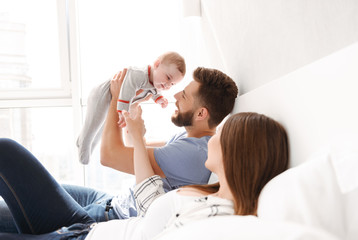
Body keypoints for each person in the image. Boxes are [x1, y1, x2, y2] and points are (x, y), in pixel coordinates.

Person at [0, 67, 238, 233]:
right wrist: (131, 106)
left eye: (184, 95)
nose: (175, 95)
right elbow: (134, 147)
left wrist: (117, 99)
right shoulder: (189, 137)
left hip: (107, 217)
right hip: (109, 200)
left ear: (201, 114)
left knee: (7, 155)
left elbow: (109, 156)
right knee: (29, 191)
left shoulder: (192, 155)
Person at [0, 111, 289, 239]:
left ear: (236, 153)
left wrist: (137, 136)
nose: (211, 140)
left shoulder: (216, 218)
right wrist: (138, 134)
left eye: (220, 136)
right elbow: (150, 196)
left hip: (84, 233)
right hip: (85, 227)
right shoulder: (210, 192)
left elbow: (117, 161)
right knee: (8, 153)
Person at [77, 51, 186, 165]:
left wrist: (159, 99)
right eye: (168, 78)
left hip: (113, 99)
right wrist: (123, 113)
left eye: (172, 84)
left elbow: (153, 92)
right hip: (102, 94)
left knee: (101, 129)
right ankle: (83, 149)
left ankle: (86, 146)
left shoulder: (155, 83)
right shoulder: (139, 74)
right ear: (157, 64)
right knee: (93, 125)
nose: (168, 85)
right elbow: (126, 93)